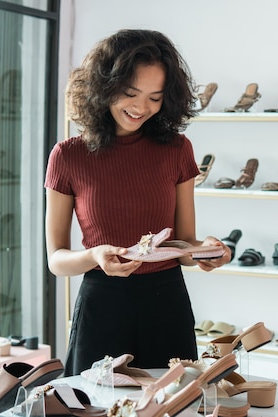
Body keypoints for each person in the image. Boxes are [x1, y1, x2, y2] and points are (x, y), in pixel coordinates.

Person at [44, 29, 232, 376]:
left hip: (166, 304)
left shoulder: (177, 149)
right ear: (104, 86)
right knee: (94, 410)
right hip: (102, 304)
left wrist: (205, 251)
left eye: (155, 97)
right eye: (131, 93)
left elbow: (184, 242)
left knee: (174, 407)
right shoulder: (68, 155)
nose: (141, 107)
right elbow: (56, 259)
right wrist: (94, 256)